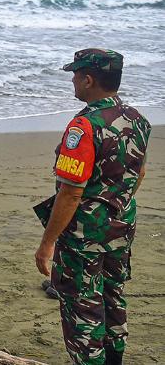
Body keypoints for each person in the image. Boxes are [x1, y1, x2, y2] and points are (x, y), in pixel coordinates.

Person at [34, 49, 150, 365]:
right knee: (113, 299)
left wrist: (47, 244)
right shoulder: (137, 119)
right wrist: (115, 203)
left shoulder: (84, 127)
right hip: (121, 226)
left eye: (75, 74)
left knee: (82, 310)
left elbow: (71, 193)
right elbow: (138, 174)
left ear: (88, 79)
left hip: (85, 236)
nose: (72, 79)